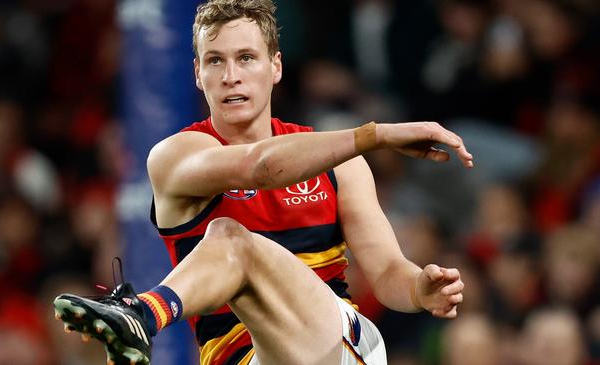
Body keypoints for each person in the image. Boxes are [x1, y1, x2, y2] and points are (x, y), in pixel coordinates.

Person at [53, 0, 472, 364]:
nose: (231, 75)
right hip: (245, 359)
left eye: (246, 58)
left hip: (338, 350)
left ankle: (142, 315)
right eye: (215, 60)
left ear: (276, 66)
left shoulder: (340, 163)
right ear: (198, 73)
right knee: (231, 241)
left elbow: (386, 272)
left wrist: (419, 289)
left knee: (230, 238)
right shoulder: (172, 158)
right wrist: (373, 136)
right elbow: (258, 165)